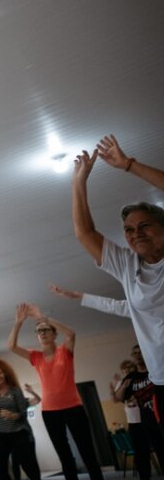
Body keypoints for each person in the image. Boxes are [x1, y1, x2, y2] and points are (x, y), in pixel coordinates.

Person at [72, 139, 163, 429]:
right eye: (129, 230)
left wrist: (129, 165)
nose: (136, 234)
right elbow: (85, 233)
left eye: (144, 225)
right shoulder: (128, 264)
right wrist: (78, 182)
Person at [9, 303, 113, 480]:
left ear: (54, 334)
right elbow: (11, 346)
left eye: (46, 330)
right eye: (39, 331)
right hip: (50, 413)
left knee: (89, 458)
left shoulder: (65, 350)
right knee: (66, 461)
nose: (42, 333)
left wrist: (43, 316)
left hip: (74, 409)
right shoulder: (35, 357)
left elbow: (71, 333)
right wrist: (19, 322)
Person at [113, 345, 164, 480]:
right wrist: (123, 387)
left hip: (159, 418)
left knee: (162, 451)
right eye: (134, 353)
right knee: (141, 451)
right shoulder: (131, 377)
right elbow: (119, 397)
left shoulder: (156, 371)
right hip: (144, 420)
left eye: (140, 352)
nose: (137, 355)